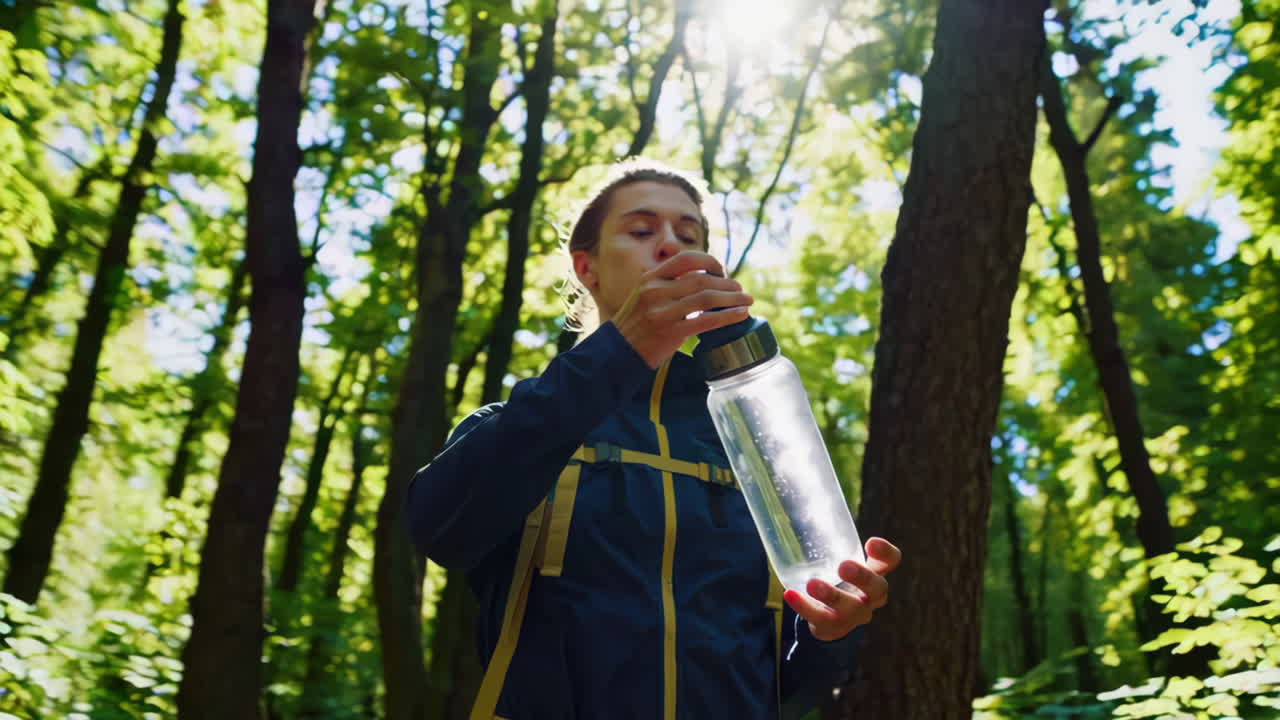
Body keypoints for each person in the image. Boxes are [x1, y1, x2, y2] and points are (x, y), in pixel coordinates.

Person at [406, 159, 900, 720]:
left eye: (689, 236)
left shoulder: (757, 446)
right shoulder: (519, 426)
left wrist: (831, 631)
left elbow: (788, 681)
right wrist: (618, 354)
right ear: (586, 267)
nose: (670, 246)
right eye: (642, 231)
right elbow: (438, 529)